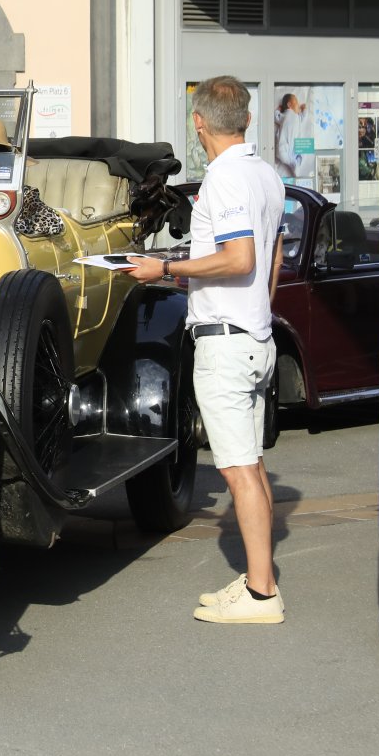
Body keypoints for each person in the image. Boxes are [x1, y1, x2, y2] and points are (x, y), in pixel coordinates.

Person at [127, 75, 286, 625]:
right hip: (254, 336)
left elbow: (240, 258)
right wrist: (258, 311)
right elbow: (271, 254)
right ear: (245, 117)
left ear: (198, 123)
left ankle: (262, 594)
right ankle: (259, 579)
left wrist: (164, 269)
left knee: (238, 472)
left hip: (227, 342)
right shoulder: (265, 174)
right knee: (253, 466)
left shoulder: (224, 178)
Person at [274, 93, 311, 181]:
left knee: (302, 151)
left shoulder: (297, 117)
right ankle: (294, 165)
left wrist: (304, 110)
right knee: (286, 157)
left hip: (293, 146)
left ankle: (295, 166)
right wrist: (278, 110)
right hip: (284, 146)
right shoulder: (287, 114)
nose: (298, 105)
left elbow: (303, 117)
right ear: (289, 105)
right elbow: (277, 117)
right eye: (296, 102)